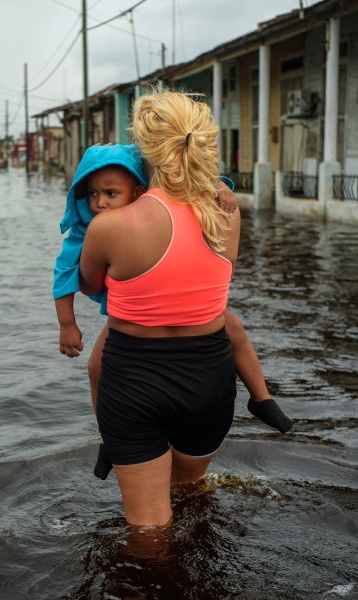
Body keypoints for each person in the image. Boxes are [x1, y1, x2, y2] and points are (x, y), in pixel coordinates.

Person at [54, 145, 292, 479]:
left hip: (182, 312)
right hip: (132, 315)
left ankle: (262, 398)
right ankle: (109, 437)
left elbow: (190, 180)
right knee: (96, 366)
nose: (101, 203)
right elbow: (65, 274)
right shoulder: (91, 229)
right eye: (93, 194)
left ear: (138, 191)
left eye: (110, 193)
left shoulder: (146, 214)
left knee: (233, 326)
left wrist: (220, 187)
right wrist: (67, 323)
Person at [78, 89, 240, 526]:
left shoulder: (108, 225)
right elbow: (213, 287)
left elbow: (89, 283)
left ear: (143, 149)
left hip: (133, 379)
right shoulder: (226, 213)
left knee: (148, 527)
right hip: (209, 377)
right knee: (191, 499)